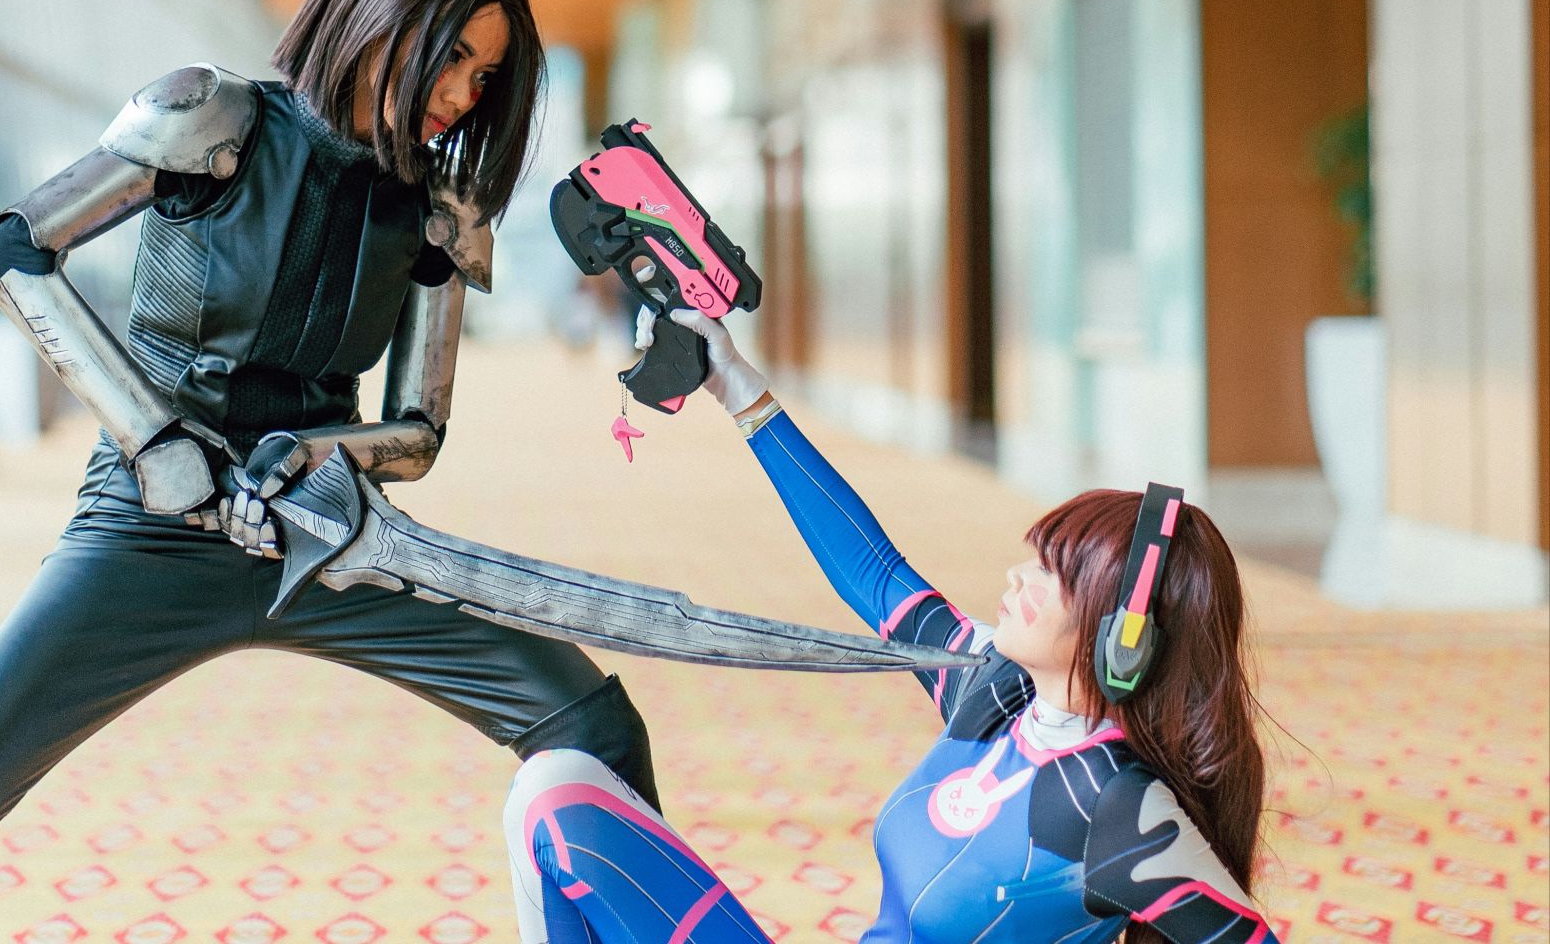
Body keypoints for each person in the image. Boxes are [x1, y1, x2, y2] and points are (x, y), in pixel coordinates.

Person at [0, 0, 656, 944]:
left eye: (485, 76)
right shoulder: (210, 117)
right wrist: (159, 444)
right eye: (455, 54)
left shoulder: (438, 208)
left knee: (594, 724)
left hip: (330, 536)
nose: (462, 93)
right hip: (153, 530)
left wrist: (311, 457)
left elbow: (418, 430)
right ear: (383, 11)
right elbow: (16, 255)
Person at [501, 308, 1280, 943]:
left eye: (1052, 574)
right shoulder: (997, 693)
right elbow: (875, 574)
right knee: (557, 790)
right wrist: (736, 387)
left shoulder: (1116, 806)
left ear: (1125, 637)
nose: (1017, 578)